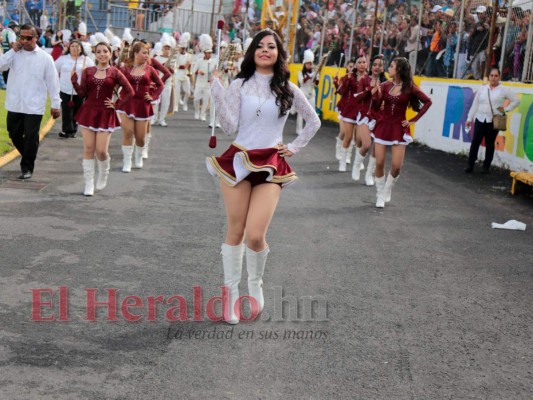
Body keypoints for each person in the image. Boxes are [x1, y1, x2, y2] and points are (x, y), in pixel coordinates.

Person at [206, 29, 321, 324]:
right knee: (235, 230)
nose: (265, 50)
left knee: (256, 235)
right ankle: (231, 297)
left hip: (270, 164)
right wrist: (217, 92)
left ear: (279, 53)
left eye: (271, 46)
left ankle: (254, 284)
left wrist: (293, 147)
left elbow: (313, 120)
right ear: (252, 52)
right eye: (260, 46)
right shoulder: (239, 84)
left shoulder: (289, 89)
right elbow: (230, 127)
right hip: (238, 161)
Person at [71, 41, 133, 196]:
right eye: (98, 51)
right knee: (89, 148)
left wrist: (116, 104)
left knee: (101, 151)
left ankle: (104, 173)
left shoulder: (115, 72)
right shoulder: (88, 71)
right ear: (95, 54)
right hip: (88, 112)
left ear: (110, 52)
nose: (102, 54)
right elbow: (83, 94)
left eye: (105, 51)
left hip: (106, 113)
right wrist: (74, 82)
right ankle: (88, 184)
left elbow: (129, 91)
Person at [0, 23, 60, 180]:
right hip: (15, 103)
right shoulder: (14, 55)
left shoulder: (45, 58)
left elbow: (53, 82)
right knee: (14, 134)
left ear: (36, 38)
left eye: (28, 38)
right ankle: (28, 154)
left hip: (34, 105)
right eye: (22, 37)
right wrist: (12, 50)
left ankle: (27, 167)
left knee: (31, 137)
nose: (25, 41)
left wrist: (56, 104)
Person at [371, 57, 432, 208]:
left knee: (397, 166)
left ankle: (387, 189)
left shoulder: (410, 87)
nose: (388, 69)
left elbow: (428, 101)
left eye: (391, 66)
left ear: (398, 69)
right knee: (379, 162)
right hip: (383, 127)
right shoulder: (385, 85)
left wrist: (413, 120)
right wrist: (376, 94)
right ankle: (379, 194)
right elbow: (377, 107)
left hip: (399, 128)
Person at [116, 41, 164, 172]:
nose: (147, 55)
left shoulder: (150, 69)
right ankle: (127, 161)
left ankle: (138, 157)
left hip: (143, 105)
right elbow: (115, 83)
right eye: (144, 53)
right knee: (128, 132)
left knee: (140, 137)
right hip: (126, 104)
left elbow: (160, 85)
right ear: (135, 53)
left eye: (148, 53)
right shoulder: (125, 68)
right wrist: (114, 97)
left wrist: (153, 96)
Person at [465, 67, 519, 174]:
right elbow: (475, 104)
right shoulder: (482, 88)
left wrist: (505, 110)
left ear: (499, 77)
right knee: (475, 142)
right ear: (489, 77)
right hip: (480, 119)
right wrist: (469, 118)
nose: (493, 78)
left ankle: (486, 166)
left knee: (490, 144)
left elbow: (516, 101)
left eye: (496, 76)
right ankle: (470, 165)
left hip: (493, 120)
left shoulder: (504, 90)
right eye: (491, 76)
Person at [352, 54, 386, 185]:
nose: (377, 67)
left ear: (383, 68)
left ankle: (369, 174)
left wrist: (379, 94)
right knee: (366, 144)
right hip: (365, 115)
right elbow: (357, 97)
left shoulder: (385, 83)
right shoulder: (364, 80)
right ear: (371, 66)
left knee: (377, 150)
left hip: (379, 117)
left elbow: (381, 104)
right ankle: (357, 164)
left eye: (380, 65)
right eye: (375, 64)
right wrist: (370, 91)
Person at [55, 40, 94, 138]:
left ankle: (73, 129)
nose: (74, 48)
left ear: (81, 49)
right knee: (66, 111)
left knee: (77, 111)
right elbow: (54, 69)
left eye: (77, 46)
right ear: (69, 48)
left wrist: (85, 71)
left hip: (79, 90)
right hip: (64, 88)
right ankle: (67, 130)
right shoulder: (63, 59)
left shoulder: (86, 60)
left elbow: (93, 73)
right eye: (72, 46)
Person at [296, 49, 318, 135]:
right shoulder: (300, 73)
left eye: (311, 63)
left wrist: (316, 77)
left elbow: (316, 84)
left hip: (311, 94)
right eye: (308, 63)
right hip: (303, 94)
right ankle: (299, 130)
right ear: (304, 64)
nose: (309, 65)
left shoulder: (314, 73)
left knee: (311, 113)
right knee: (301, 113)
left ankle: (309, 129)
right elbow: (302, 82)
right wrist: (310, 76)